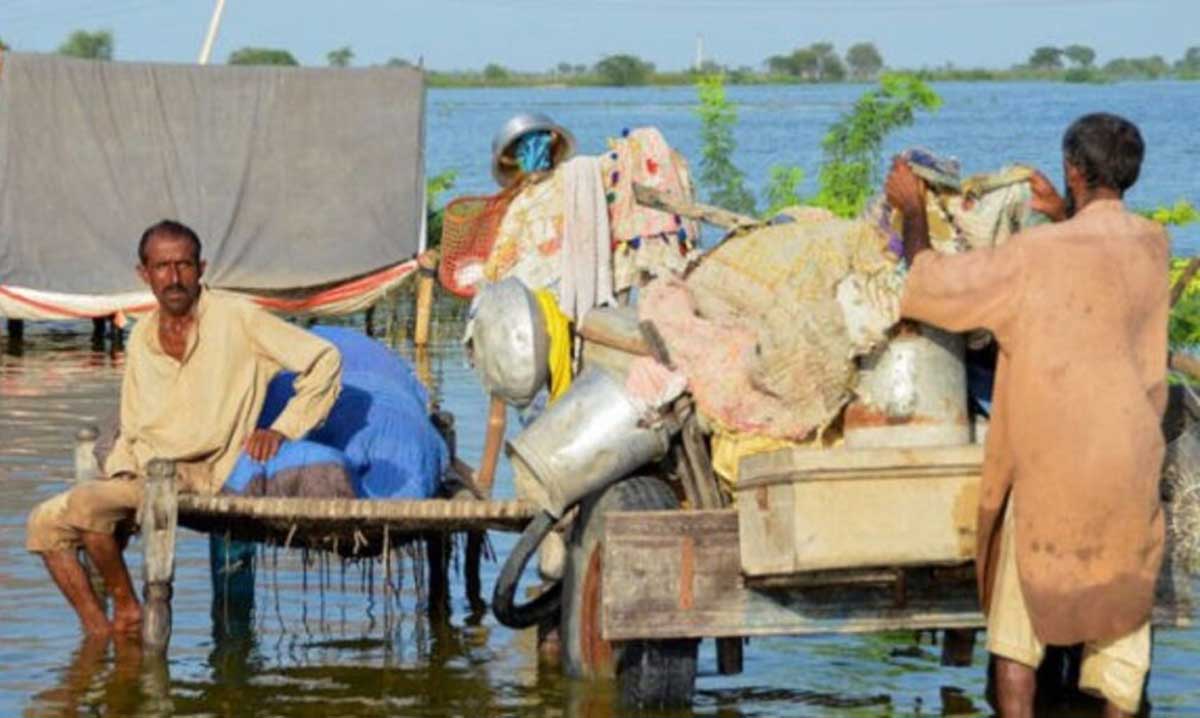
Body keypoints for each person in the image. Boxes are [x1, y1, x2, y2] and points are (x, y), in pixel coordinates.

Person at [887, 113, 1168, 718]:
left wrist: (912, 209)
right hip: (1130, 468)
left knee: (1017, 646)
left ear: (1073, 170)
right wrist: (1065, 215)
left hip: (1052, 472)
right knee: (1120, 644)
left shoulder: (1034, 253)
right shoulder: (1152, 245)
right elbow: (1099, 275)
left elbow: (930, 281)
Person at [26, 219, 342, 636]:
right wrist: (122, 470)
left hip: (201, 472)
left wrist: (282, 429)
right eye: (162, 267)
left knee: (86, 507)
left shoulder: (238, 318)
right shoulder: (142, 336)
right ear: (145, 273)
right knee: (41, 525)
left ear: (202, 268)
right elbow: (134, 418)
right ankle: (98, 631)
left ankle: (128, 611)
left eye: (184, 265)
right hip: (144, 472)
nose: (174, 278)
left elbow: (324, 360)